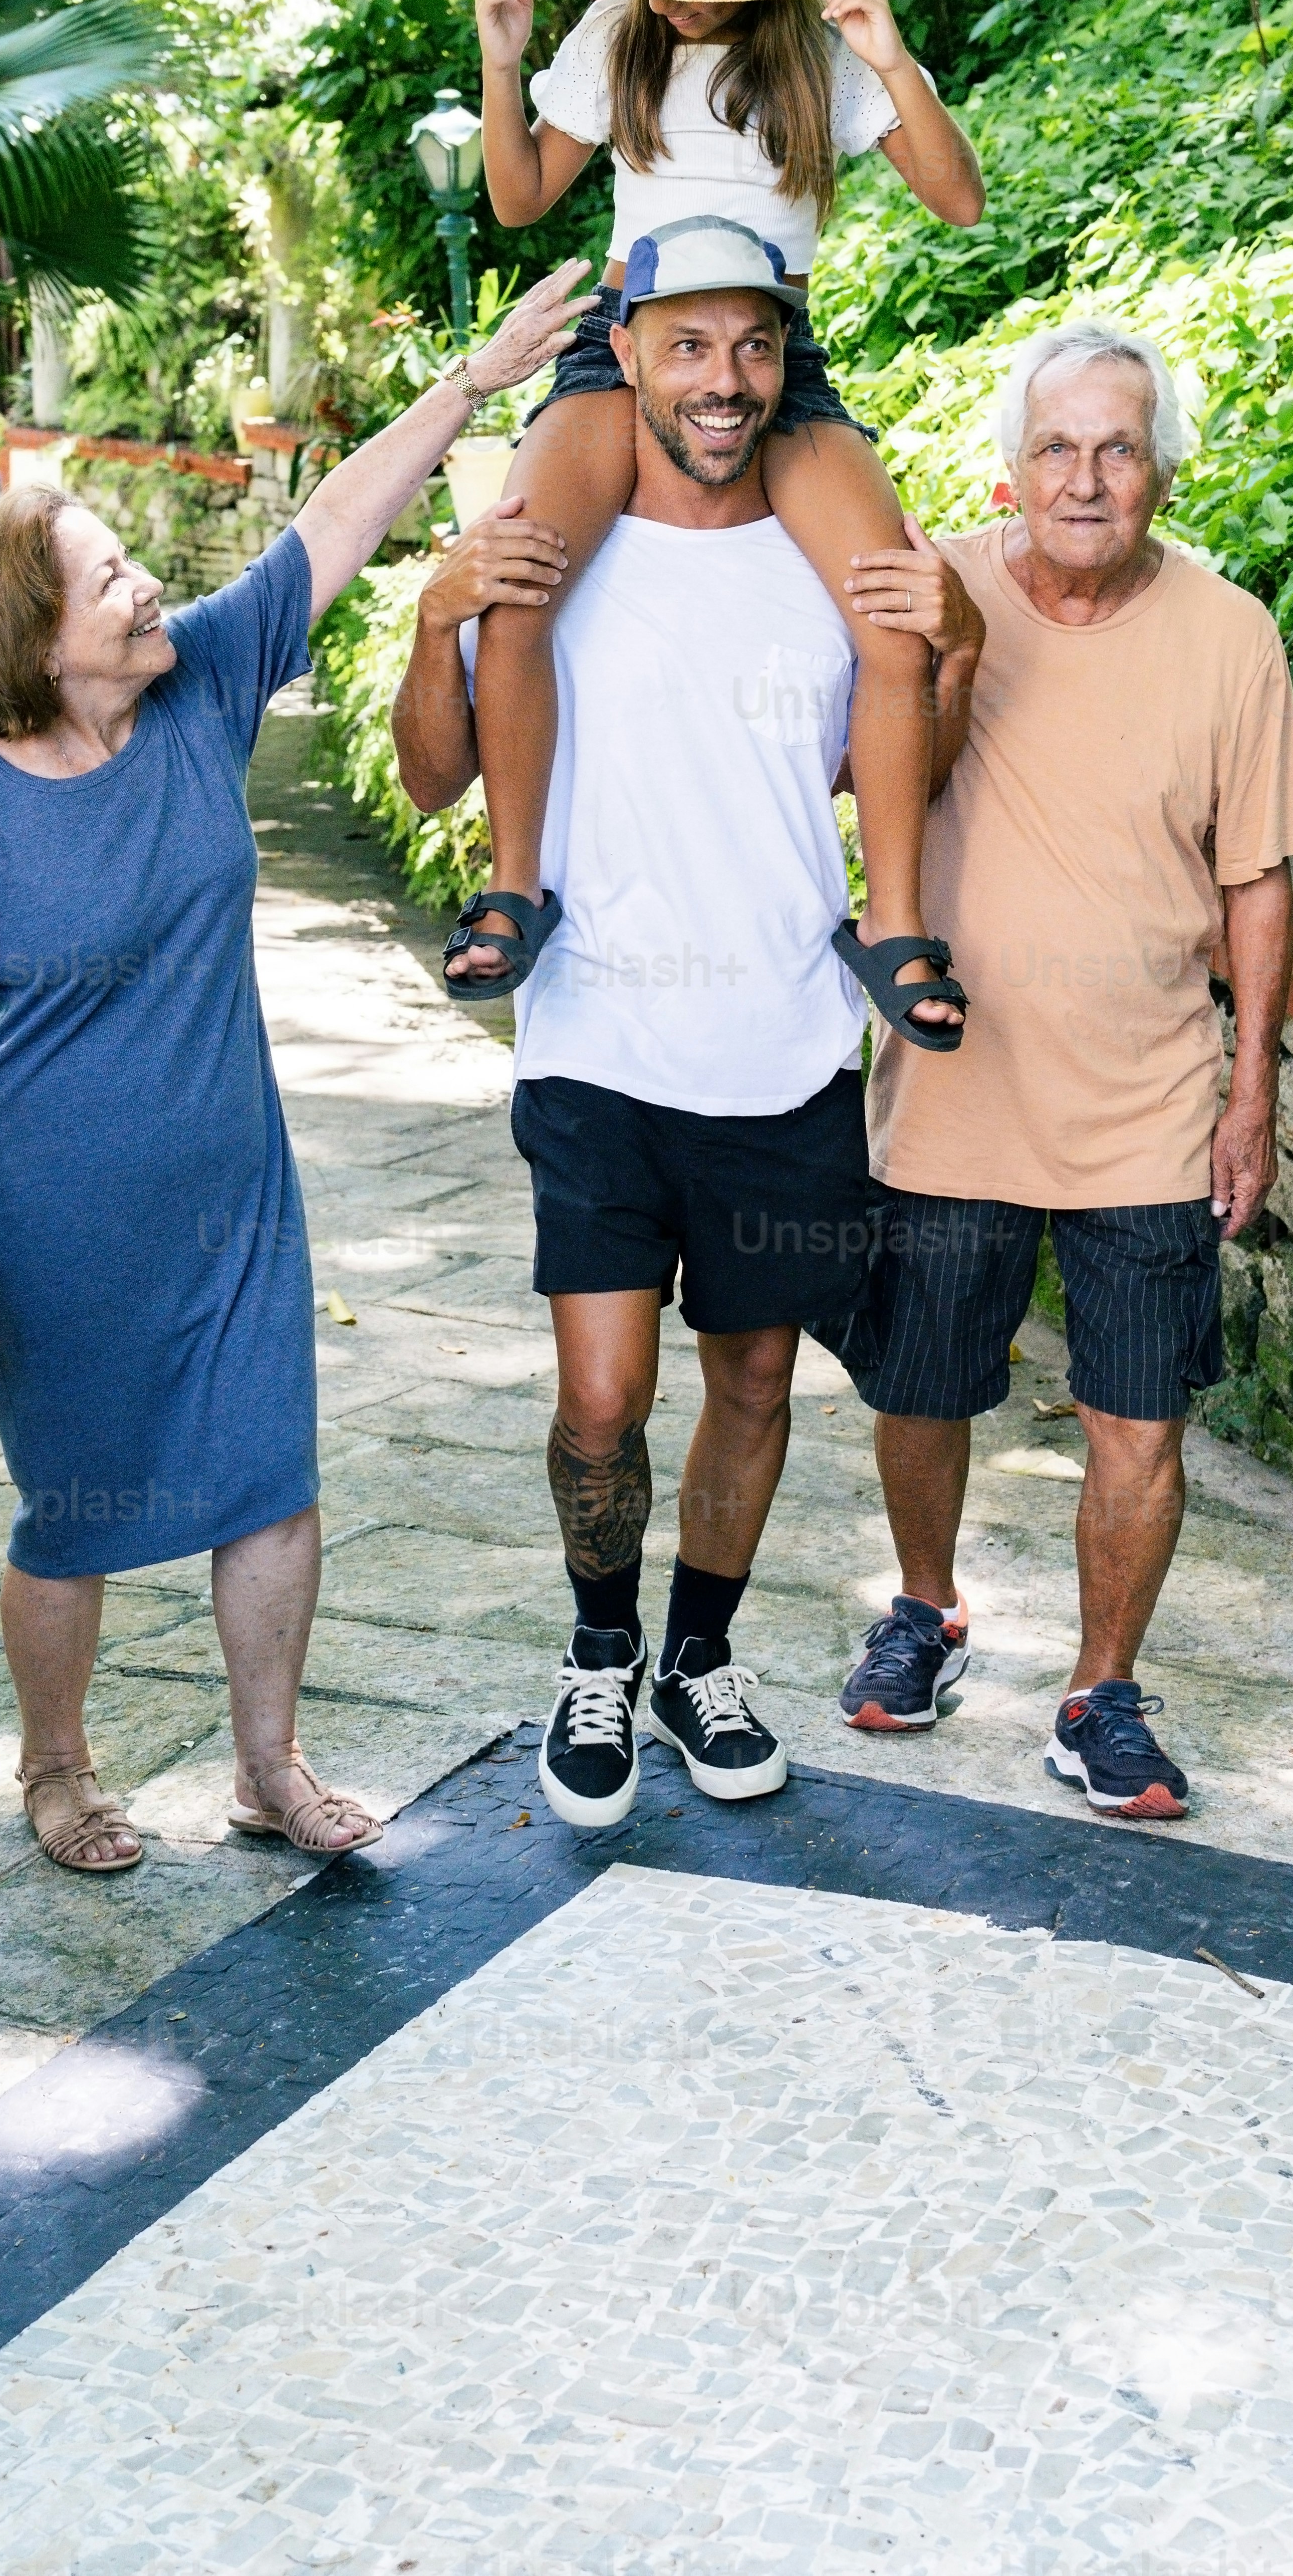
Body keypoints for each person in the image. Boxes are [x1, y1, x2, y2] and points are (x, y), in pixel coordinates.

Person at [0, 260, 589, 1878]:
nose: (140, 593)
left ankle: (269, 1767)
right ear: (38, 641)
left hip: (232, 1195)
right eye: (106, 580)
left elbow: (330, 523)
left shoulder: (193, 693)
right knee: (77, 1512)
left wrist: (471, 383)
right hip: (49, 1222)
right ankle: (57, 1771)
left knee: (270, 1477)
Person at [393, 218, 973, 1831]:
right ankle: (597, 1652)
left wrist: (962, 637)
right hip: (593, 1047)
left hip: (784, 1043)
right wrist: (432, 607)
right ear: (628, 353)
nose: (725, 383)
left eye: (756, 350)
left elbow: (910, 730)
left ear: (787, 368)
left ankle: (696, 1661)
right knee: (599, 1399)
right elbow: (432, 769)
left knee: (757, 1383)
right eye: (692, 348)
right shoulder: (550, 548)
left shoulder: (820, 552)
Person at [834, 321, 1293, 1823]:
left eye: (1118, 447)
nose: (1087, 476)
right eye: (1058, 446)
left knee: (1140, 1415)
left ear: (1162, 469)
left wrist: (1252, 1095)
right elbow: (868, 778)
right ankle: (925, 1609)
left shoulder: (1230, 632)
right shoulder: (943, 588)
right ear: (1012, 464)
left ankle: (1102, 1689)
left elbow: (1257, 886)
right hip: (953, 1087)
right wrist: (953, 650)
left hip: (1150, 1108)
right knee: (921, 1387)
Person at [447, 0, 984, 1062]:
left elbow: (958, 201)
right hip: (628, 344)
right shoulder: (615, 40)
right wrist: (504, 57)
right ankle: (517, 882)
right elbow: (521, 202)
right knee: (521, 577)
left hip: (771, 356)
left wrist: (891, 57)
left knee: (893, 606)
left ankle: (892, 921)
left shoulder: (809, 54)